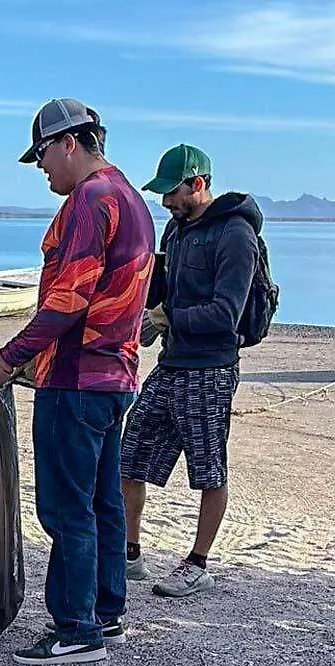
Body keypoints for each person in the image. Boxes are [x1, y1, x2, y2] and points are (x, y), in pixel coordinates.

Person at [0, 98, 155, 666]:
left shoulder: (91, 199)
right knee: (103, 500)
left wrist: (8, 359)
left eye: (43, 155)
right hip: (116, 376)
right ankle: (107, 611)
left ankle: (75, 629)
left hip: (76, 380)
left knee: (64, 507)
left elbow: (68, 299)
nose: (41, 169)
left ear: (70, 143)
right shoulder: (132, 199)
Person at [121, 144, 261, 598]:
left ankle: (197, 563)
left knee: (208, 470)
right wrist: (148, 320)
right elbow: (163, 293)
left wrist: (166, 319)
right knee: (131, 454)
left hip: (212, 370)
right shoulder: (177, 232)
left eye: (172, 192)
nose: (166, 203)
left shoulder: (235, 235)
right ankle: (129, 553)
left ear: (198, 184)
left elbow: (227, 313)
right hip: (171, 364)